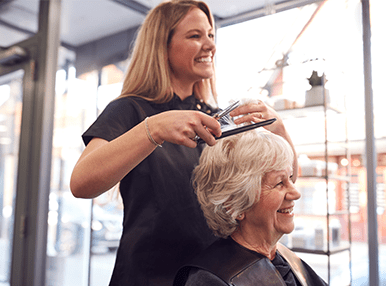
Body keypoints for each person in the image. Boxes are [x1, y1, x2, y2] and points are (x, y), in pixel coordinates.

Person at [70, 0, 298, 285]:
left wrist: (278, 129)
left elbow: (283, 185)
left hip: (212, 275)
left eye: (211, 35)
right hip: (149, 277)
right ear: (161, 46)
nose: (210, 45)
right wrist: (152, 130)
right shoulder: (131, 110)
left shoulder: (215, 118)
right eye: (195, 36)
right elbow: (81, 183)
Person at [173, 130, 327, 286]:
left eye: (290, 178)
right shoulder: (210, 280)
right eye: (279, 183)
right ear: (234, 205)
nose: (296, 193)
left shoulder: (286, 258)